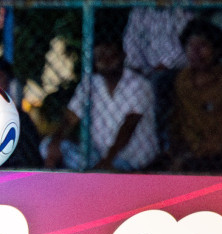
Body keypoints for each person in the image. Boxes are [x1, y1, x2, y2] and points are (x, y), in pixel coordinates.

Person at [43, 37, 157, 172]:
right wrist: (56, 141)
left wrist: (108, 161)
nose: (106, 61)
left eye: (111, 55)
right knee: (46, 146)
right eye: (100, 56)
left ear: (122, 56)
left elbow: (129, 125)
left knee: (104, 171)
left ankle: (94, 175)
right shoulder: (91, 84)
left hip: (132, 158)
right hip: (98, 155)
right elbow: (71, 116)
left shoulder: (139, 84)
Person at [166, 19, 222, 172]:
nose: (196, 52)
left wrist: (195, 153)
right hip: (189, 153)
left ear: (216, 50)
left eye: (203, 46)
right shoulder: (182, 80)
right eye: (191, 46)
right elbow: (177, 121)